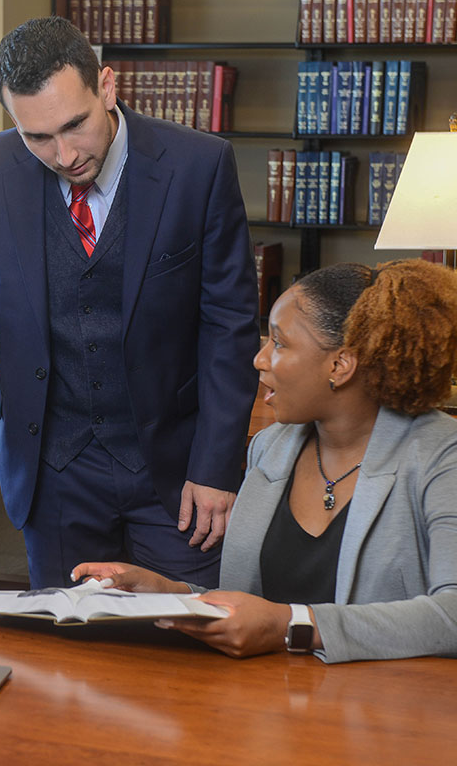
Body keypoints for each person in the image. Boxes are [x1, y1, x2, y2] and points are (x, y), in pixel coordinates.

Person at [0, 16, 259, 589]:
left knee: (187, 653)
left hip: (176, 470)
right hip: (54, 471)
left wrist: (217, 466)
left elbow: (230, 325)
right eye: (37, 137)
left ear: (108, 87)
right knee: (68, 661)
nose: (65, 154)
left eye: (75, 125)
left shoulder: (199, 166)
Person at [73, 260, 457, 663]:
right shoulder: (270, 448)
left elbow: (451, 614)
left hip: (383, 714)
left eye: (279, 343)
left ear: (340, 365)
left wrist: (292, 626)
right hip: (264, 705)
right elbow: (258, 613)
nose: (259, 359)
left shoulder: (440, 456)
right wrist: (169, 594)